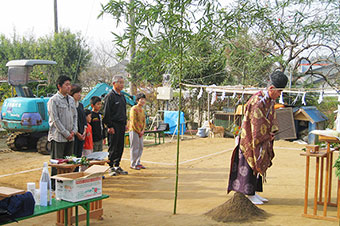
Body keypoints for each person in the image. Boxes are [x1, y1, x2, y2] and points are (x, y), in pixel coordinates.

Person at [227, 71, 288, 205]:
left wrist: (271, 133)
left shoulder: (270, 101)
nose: (279, 95)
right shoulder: (257, 101)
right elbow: (256, 124)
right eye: (279, 91)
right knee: (249, 165)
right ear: (271, 88)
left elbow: (271, 119)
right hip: (249, 139)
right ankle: (249, 194)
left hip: (262, 138)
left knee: (259, 163)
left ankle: (253, 192)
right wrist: (266, 135)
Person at [47, 75, 77, 188]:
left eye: (70, 84)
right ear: (59, 86)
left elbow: (75, 116)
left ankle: (67, 185)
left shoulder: (71, 100)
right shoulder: (53, 101)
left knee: (69, 162)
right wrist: (66, 133)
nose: (69, 87)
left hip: (71, 136)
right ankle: (55, 187)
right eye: (66, 85)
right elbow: (55, 120)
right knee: (57, 163)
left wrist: (74, 130)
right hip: (58, 137)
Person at [103, 75, 128, 176]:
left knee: (120, 146)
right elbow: (106, 114)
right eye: (120, 82)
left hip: (121, 125)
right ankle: (111, 166)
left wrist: (125, 123)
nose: (122, 85)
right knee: (113, 146)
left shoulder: (122, 96)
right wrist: (109, 126)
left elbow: (124, 111)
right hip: (113, 125)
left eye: (123, 82)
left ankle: (117, 165)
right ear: (114, 83)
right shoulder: (110, 96)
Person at [129, 93, 147, 170]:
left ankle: (138, 162)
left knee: (140, 147)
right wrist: (138, 131)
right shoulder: (133, 109)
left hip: (140, 131)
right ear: (137, 100)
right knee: (134, 147)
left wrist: (143, 130)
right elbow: (133, 121)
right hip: (134, 130)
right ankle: (133, 163)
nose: (143, 101)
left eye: (144, 99)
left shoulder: (142, 110)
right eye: (141, 99)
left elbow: (144, 121)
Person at [70, 84, 87, 158]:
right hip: (73, 135)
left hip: (82, 134)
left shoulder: (80, 105)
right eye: (77, 93)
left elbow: (84, 120)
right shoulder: (70, 105)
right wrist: (77, 133)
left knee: (79, 156)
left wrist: (84, 131)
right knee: (73, 156)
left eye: (80, 92)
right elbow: (70, 121)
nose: (79, 95)